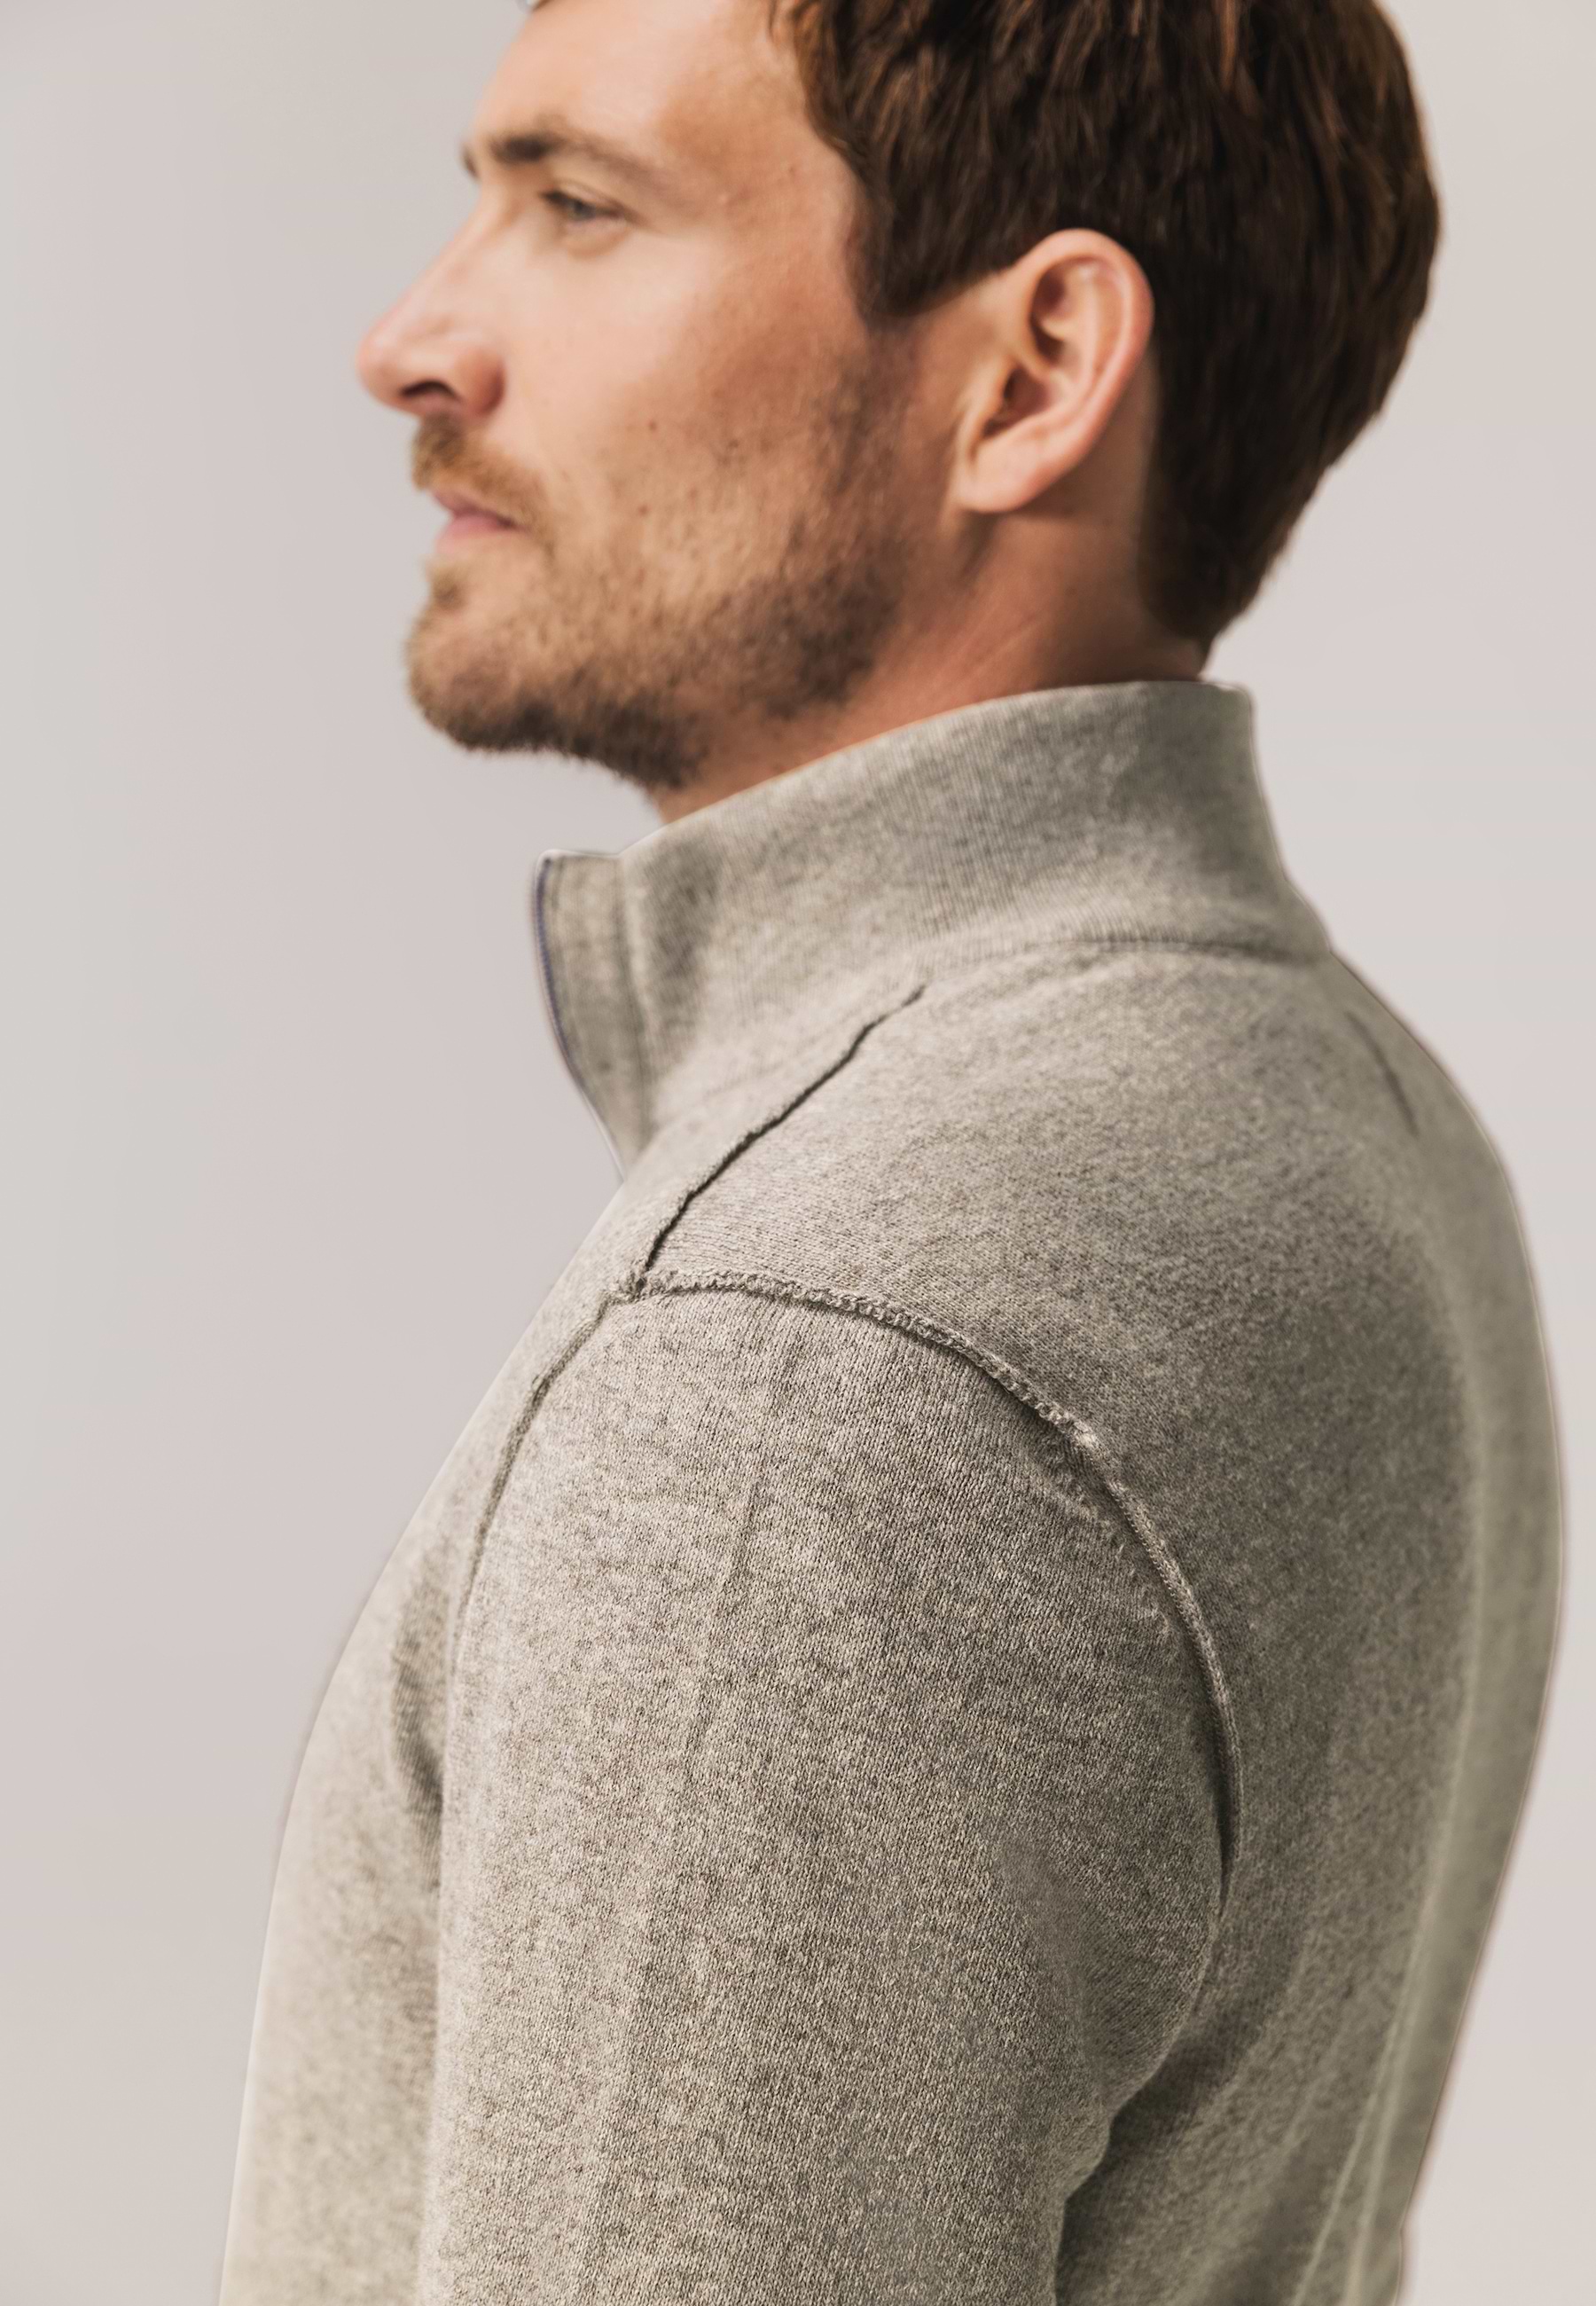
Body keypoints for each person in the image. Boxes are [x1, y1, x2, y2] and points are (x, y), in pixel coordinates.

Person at [218, 2, 1563, 2300]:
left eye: (580, 206)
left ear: (1032, 373)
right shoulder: (1347, 1117)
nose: (413, 338)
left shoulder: (808, 1356)